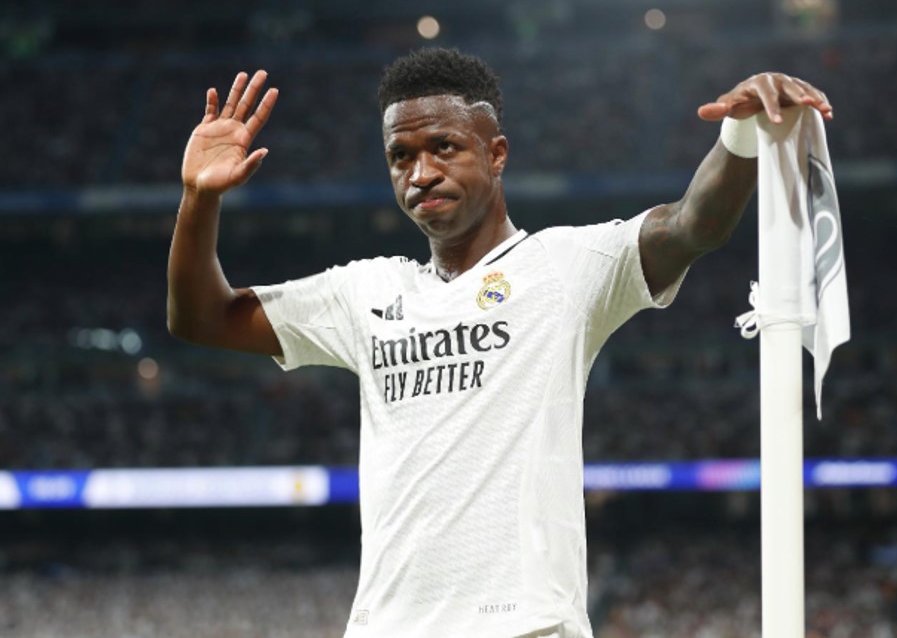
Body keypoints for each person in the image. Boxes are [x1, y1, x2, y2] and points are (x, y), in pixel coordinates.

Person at [167, 47, 833, 638]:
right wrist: (198, 198)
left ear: (497, 153)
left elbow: (690, 226)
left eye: (443, 147)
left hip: (524, 625)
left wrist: (741, 133)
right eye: (400, 156)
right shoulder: (364, 292)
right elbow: (202, 318)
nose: (420, 173)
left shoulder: (566, 267)